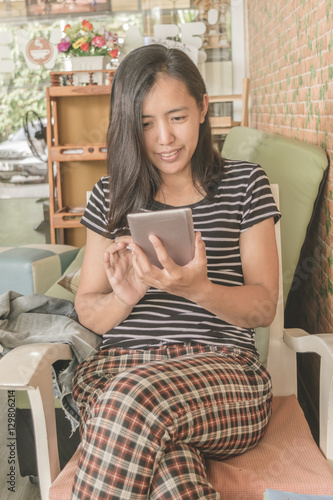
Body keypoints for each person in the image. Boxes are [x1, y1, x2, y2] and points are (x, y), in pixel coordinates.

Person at [72, 44, 280, 500]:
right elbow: (89, 308)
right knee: (171, 473)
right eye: (145, 124)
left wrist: (200, 290)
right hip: (119, 370)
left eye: (177, 117)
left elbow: (264, 306)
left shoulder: (246, 184)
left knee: (132, 403)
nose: (163, 138)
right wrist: (124, 296)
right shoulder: (111, 194)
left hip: (223, 374)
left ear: (203, 107)